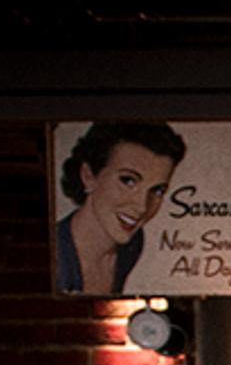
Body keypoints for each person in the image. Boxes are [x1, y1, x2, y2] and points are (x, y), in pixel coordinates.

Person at [54, 121, 184, 296]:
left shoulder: (131, 244)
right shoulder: (56, 255)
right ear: (88, 175)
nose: (142, 207)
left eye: (157, 190)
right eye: (128, 181)